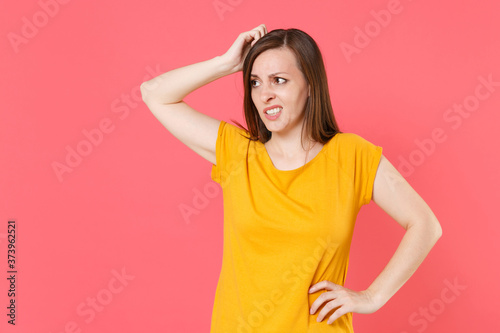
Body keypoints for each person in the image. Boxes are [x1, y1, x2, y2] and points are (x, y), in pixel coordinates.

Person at [140, 24, 442, 332]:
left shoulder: (351, 155)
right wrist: (226, 64)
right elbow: (154, 94)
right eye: (255, 83)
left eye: (279, 80)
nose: (265, 95)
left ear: (310, 84)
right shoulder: (237, 153)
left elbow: (425, 224)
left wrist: (372, 296)